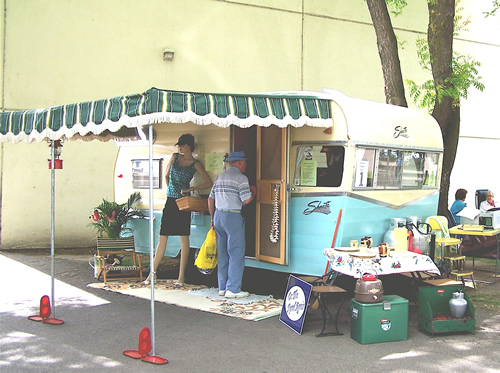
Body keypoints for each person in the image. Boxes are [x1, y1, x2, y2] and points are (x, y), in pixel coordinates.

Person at [143, 134, 212, 286]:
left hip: (184, 201)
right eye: (179, 145)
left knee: (184, 238)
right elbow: (166, 175)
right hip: (170, 200)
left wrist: (192, 188)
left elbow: (208, 182)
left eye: (182, 145)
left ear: (189, 146)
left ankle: (181, 277)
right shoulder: (174, 157)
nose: (180, 147)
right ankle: (152, 273)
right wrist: (170, 188)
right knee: (163, 236)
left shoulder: (195, 163)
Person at [208, 151, 256, 299]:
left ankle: (222, 287)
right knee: (236, 253)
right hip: (233, 216)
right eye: (245, 162)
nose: (246, 165)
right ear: (240, 162)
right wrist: (254, 192)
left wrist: (212, 218)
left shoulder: (220, 177)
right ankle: (233, 289)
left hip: (218, 215)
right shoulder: (241, 178)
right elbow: (246, 200)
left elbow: (210, 199)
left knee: (222, 253)